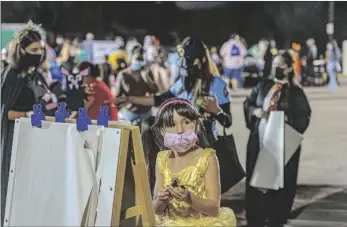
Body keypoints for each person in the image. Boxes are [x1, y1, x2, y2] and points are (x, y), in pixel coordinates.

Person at [115, 37, 237, 193]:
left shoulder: (217, 84)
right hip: (178, 140)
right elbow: (159, 99)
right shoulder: (183, 83)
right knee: (149, 128)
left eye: (187, 60)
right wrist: (129, 99)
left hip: (202, 142)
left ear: (199, 61)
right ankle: (150, 189)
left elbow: (228, 121)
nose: (183, 65)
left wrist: (216, 111)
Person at [1, 21, 64, 223]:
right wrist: (28, 115)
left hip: (36, 142)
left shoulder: (36, 75)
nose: (38, 53)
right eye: (33, 49)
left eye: (41, 49)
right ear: (22, 50)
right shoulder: (11, 75)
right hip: (14, 143)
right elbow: (4, 113)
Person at [243, 51, 311, 227]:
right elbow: (248, 102)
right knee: (257, 179)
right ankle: (256, 216)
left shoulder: (295, 93)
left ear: (288, 68)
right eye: (274, 65)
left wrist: (287, 119)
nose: (276, 68)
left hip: (282, 143)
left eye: (280, 65)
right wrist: (254, 112)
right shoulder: (263, 86)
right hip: (260, 138)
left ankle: (276, 217)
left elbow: (304, 116)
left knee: (280, 181)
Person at [151, 98, 236, 226]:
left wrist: (189, 198)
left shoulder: (207, 158)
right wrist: (161, 200)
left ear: (195, 124)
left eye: (186, 122)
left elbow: (214, 208)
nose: (180, 130)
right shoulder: (162, 160)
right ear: (162, 131)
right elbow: (156, 210)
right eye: (172, 125)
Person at [115, 45, 158, 123]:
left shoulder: (147, 72)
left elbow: (155, 90)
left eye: (141, 59)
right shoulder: (123, 74)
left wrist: (147, 78)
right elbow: (117, 96)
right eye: (137, 59)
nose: (139, 61)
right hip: (130, 113)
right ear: (131, 58)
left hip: (146, 112)